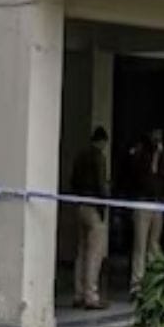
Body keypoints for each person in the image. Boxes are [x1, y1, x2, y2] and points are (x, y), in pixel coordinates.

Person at [70, 127, 110, 310]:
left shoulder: (80, 156)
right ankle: (91, 296)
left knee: (81, 252)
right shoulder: (98, 157)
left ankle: (78, 293)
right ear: (102, 142)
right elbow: (102, 184)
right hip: (94, 207)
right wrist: (106, 202)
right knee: (94, 254)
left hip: (80, 205)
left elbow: (73, 180)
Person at [128, 128, 164, 295]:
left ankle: (154, 281)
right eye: (155, 136)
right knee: (140, 245)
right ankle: (137, 284)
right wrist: (153, 157)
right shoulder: (141, 153)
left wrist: (160, 155)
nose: (157, 139)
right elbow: (141, 173)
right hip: (142, 202)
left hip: (157, 203)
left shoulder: (162, 156)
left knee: (154, 245)